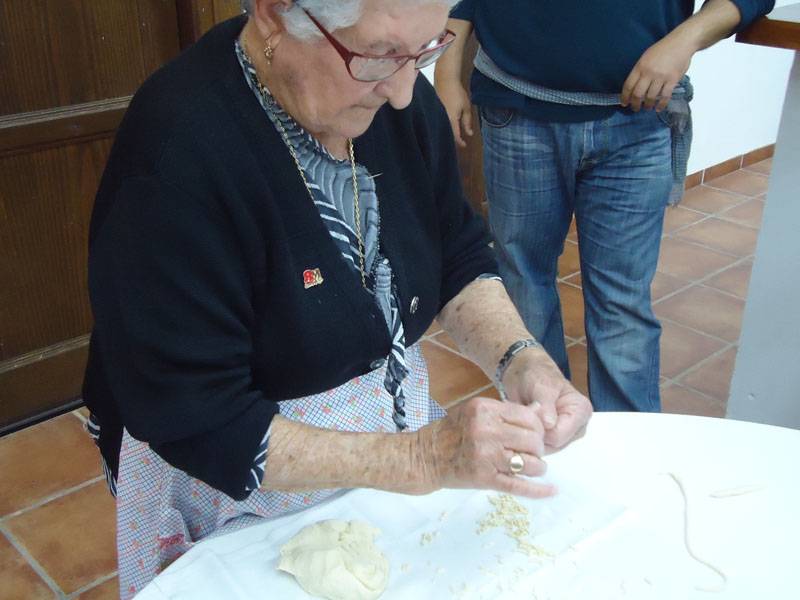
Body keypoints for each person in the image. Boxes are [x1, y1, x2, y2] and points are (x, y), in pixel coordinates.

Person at [81, 0, 592, 595]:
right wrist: (422, 460)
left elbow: (455, 255)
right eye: (377, 55)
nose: (405, 92)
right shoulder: (176, 156)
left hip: (379, 446)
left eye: (426, 50)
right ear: (275, 15)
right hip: (232, 478)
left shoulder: (395, 103)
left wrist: (521, 360)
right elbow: (200, 417)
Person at [434, 0, 774, 412]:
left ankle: (629, 455)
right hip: (517, 109)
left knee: (622, 304)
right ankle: (545, 433)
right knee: (524, 281)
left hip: (640, 120)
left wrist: (685, 40)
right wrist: (447, 70)